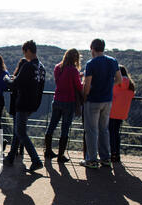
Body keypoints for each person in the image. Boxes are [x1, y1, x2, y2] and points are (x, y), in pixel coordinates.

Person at [4, 40, 45, 172]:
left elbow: (15, 84)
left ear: (28, 50)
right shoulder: (41, 68)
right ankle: (10, 157)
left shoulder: (28, 66)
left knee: (21, 132)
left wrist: (6, 79)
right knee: (18, 130)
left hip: (23, 103)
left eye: (24, 52)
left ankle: (36, 160)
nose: (24, 54)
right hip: (33, 104)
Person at [81, 39, 122, 169]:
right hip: (107, 101)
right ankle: (105, 158)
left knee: (91, 130)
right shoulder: (113, 61)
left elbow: (87, 86)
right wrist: (108, 85)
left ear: (92, 48)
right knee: (104, 130)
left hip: (93, 100)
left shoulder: (91, 63)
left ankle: (92, 160)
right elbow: (119, 79)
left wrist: (84, 97)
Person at [44, 48, 83, 163]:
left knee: (51, 126)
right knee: (65, 129)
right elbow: (78, 87)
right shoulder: (73, 70)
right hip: (69, 102)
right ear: (75, 58)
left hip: (57, 100)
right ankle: (61, 155)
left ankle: (48, 151)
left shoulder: (58, 67)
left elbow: (60, 82)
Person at [109, 65, 135, 163]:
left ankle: (112, 154)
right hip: (122, 113)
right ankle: (117, 155)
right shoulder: (130, 85)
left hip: (111, 111)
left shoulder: (115, 83)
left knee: (110, 133)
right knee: (116, 133)